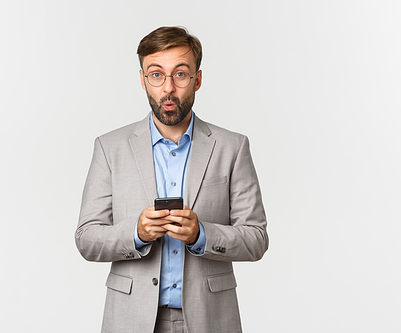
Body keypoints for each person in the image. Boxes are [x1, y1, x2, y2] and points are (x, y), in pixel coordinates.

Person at [76, 26, 269, 333]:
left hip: (211, 319)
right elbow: (86, 239)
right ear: (143, 79)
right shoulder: (109, 147)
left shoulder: (232, 147)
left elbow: (256, 239)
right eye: (156, 75)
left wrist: (201, 235)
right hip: (130, 319)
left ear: (197, 79)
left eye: (180, 74)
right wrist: (136, 233)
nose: (168, 88)